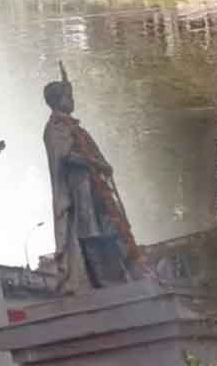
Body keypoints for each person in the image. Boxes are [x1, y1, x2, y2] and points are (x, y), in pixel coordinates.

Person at [42, 62, 145, 294]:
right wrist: (97, 163)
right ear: (59, 100)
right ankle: (102, 280)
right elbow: (66, 157)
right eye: (69, 96)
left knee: (110, 229)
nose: (73, 100)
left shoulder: (72, 125)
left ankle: (120, 275)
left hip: (94, 185)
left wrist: (100, 166)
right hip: (80, 189)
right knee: (91, 233)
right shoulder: (55, 127)